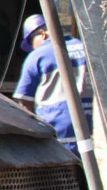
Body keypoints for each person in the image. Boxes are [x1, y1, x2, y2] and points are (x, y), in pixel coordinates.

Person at [14, 12, 93, 155]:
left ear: (42, 34)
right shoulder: (86, 49)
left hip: (58, 135)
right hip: (91, 131)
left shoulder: (37, 56)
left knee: (64, 176)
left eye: (32, 43)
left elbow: (25, 103)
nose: (33, 48)